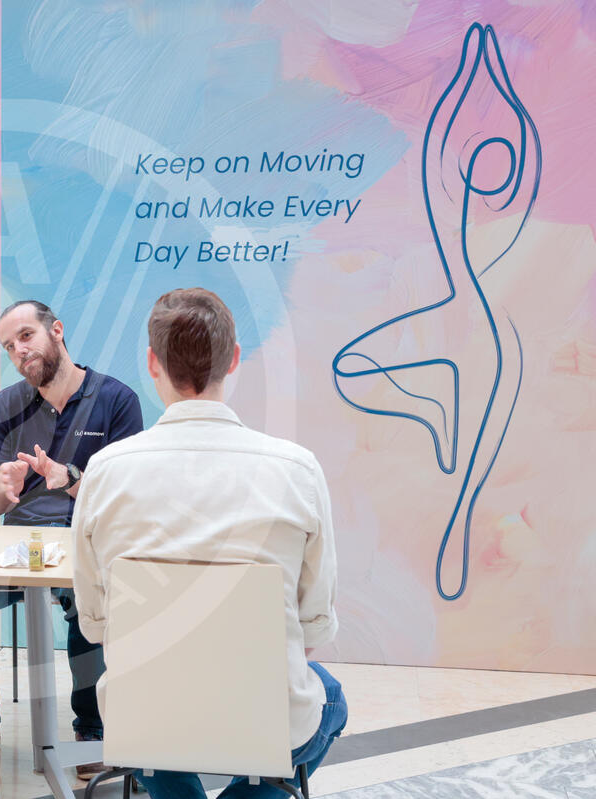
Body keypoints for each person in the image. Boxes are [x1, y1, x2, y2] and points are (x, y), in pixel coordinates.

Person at [71, 288, 348, 798]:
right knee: (329, 697)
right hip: (264, 718)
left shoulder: (104, 472)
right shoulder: (298, 470)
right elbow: (314, 623)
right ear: (235, 359)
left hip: (144, 718)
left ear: (152, 363)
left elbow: (95, 624)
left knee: (151, 724)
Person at [0, 300, 143, 775]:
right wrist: (4, 487)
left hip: (87, 540)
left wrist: (68, 478)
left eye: (26, 336)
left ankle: (93, 730)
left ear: (56, 330)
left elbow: (126, 497)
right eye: (8, 346)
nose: (18, 351)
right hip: (20, 546)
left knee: (89, 601)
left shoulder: (116, 399)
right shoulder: (7, 404)